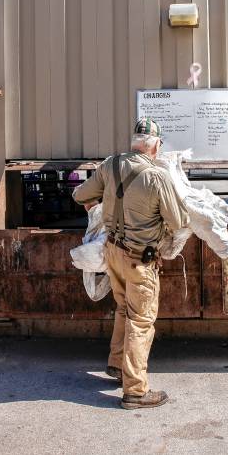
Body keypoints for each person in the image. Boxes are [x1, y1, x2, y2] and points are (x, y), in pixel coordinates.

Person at [72, 118, 189, 409]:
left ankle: (116, 365)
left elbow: (79, 195)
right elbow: (178, 221)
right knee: (141, 320)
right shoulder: (157, 177)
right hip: (140, 259)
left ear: (135, 141)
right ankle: (135, 391)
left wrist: (103, 203)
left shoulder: (109, 166)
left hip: (113, 252)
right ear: (155, 146)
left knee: (124, 308)